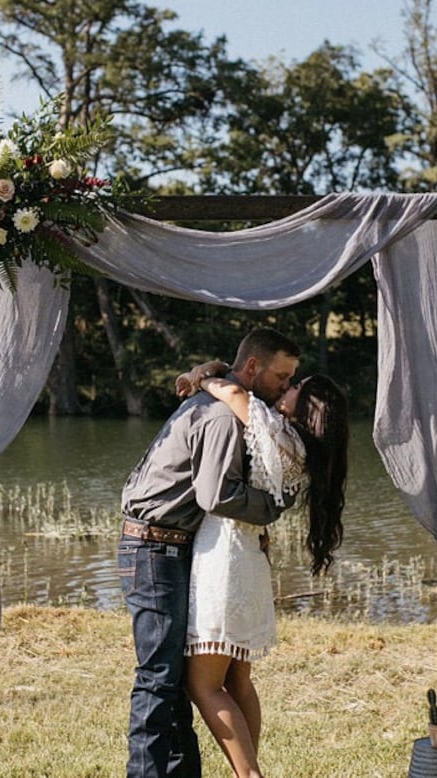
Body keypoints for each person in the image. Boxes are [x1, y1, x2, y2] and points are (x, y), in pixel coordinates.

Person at [118, 327, 301, 778]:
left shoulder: (233, 404)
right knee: (159, 677)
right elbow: (217, 495)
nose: (285, 387)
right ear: (254, 368)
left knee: (177, 677)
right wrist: (273, 507)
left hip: (174, 547)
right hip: (153, 547)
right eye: (281, 376)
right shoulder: (222, 417)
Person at [175, 363, 349, 778]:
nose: (287, 388)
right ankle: (247, 772)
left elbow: (236, 396)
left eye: (296, 387)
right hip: (249, 558)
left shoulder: (274, 427)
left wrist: (202, 378)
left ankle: (249, 774)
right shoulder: (297, 446)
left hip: (226, 558)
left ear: (307, 407)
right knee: (237, 682)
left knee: (203, 684)